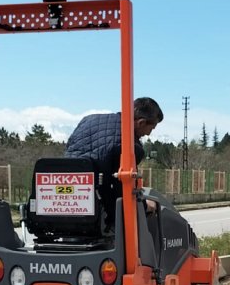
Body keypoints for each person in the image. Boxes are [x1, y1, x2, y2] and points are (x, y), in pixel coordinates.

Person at [64, 97, 163, 229]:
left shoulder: (88, 120)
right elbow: (123, 190)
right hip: (96, 211)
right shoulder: (131, 146)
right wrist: (145, 206)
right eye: (152, 128)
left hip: (65, 197)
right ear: (141, 122)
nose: (149, 134)